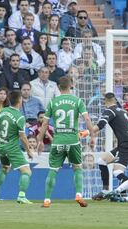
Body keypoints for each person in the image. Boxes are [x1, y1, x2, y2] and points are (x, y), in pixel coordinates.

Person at [37, 76, 94, 208]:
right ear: (71, 85)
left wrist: (40, 140)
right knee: (77, 168)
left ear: (58, 87)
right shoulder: (77, 101)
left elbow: (45, 123)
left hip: (58, 141)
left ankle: (46, 200)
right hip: (73, 141)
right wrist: (92, 136)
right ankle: (79, 194)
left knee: (53, 170)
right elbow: (87, 119)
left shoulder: (53, 102)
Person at [0, 90, 34, 204]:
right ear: (20, 101)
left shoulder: (3, 111)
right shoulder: (20, 117)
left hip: (1, 146)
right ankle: (21, 196)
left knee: (5, 168)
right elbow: (22, 136)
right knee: (26, 172)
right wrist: (29, 150)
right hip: (12, 147)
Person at [90, 92, 128, 197]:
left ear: (105, 101)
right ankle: (106, 190)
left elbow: (101, 125)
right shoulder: (123, 110)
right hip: (127, 142)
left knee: (117, 172)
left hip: (126, 143)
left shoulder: (109, 110)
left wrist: (85, 132)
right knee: (102, 161)